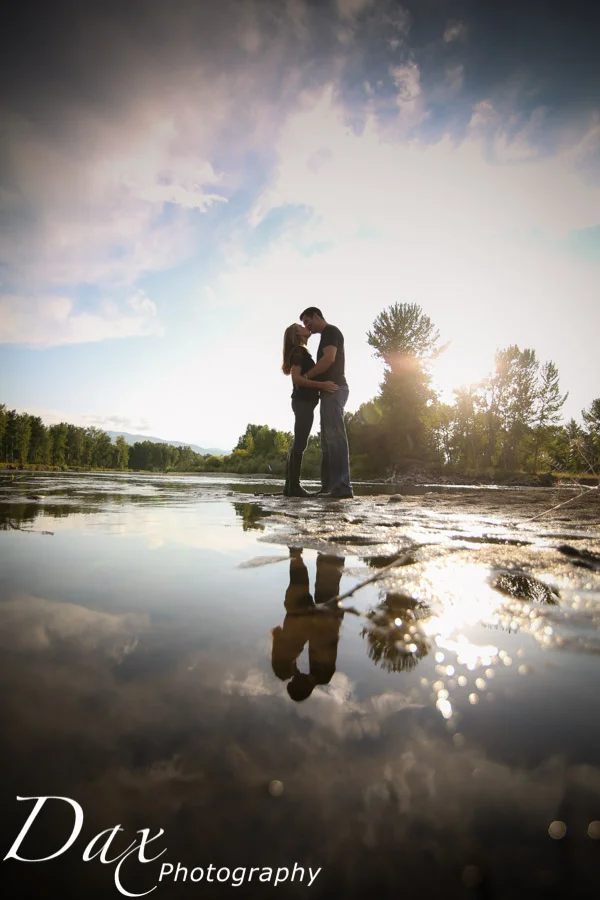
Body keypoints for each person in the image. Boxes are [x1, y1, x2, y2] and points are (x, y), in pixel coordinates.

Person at [271, 549, 344, 702]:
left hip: (308, 618)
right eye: (295, 681)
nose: (295, 676)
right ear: (303, 686)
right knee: (325, 588)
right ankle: (329, 553)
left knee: (303, 591)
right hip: (324, 618)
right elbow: (326, 640)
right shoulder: (323, 675)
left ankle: (301, 556)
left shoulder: (315, 673)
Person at [299, 307, 353, 499]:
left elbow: (329, 359)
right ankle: (328, 488)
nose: (307, 326)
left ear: (316, 315)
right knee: (327, 440)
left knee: (336, 438)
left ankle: (342, 488)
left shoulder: (331, 331)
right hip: (328, 391)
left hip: (335, 389)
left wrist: (305, 376)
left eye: (307, 321)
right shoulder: (325, 336)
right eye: (304, 324)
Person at [281, 322, 339, 497]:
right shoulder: (299, 352)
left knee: (299, 442)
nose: (306, 327)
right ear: (298, 335)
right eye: (301, 326)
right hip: (302, 402)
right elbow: (297, 380)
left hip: (304, 402)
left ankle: (290, 487)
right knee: (300, 443)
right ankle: (294, 487)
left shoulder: (300, 351)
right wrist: (322, 384)